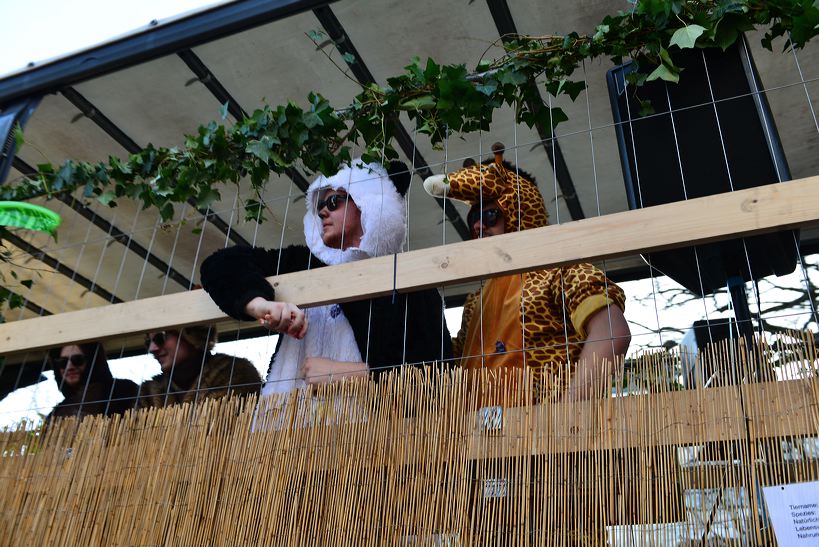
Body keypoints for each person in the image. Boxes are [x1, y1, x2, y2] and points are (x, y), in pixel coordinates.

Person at [200, 159, 453, 396]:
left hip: (370, 435)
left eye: (333, 202)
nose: (322, 211)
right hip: (282, 432)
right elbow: (219, 265)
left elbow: (438, 380)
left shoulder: (410, 279)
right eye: (319, 204)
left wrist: (351, 375)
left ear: (368, 203)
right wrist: (262, 304)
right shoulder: (302, 263)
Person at [424, 142, 630, 402]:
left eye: (489, 215)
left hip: (542, 433)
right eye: (473, 218)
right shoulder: (475, 301)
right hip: (478, 437)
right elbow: (454, 360)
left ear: (519, 208)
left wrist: (568, 414)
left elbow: (612, 333)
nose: (478, 225)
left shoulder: (561, 272)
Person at [139, 326, 262, 407]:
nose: (152, 349)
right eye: (148, 342)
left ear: (190, 334)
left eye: (160, 338)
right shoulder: (148, 394)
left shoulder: (234, 374)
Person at [47, 342, 139, 420]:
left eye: (77, 360)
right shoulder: (57, 413)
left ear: (92, 362)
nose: (69, 367)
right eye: (63, 362)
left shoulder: (123, 390)